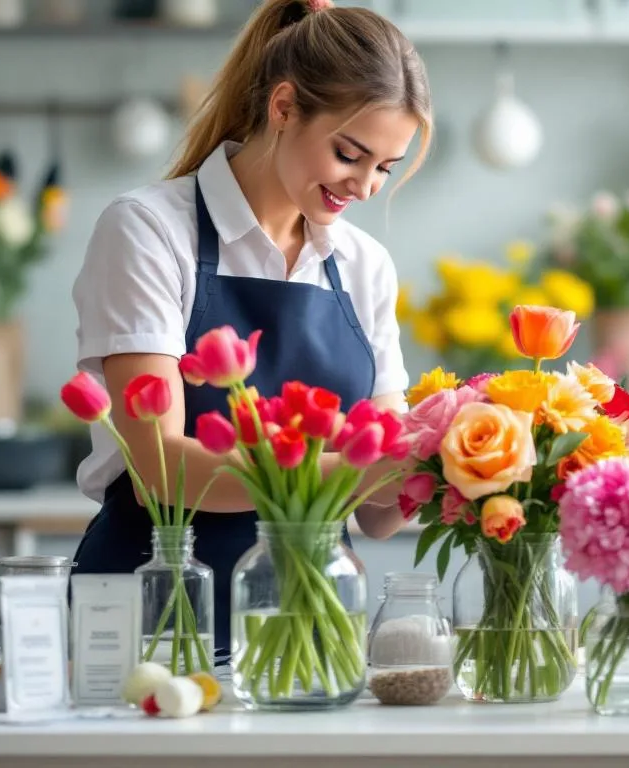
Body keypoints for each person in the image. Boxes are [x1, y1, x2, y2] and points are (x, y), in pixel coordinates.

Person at [68, 0, 432, 663]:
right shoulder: (149, 231)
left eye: (385, 166)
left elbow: (380, 514)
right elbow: (160, 469)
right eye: (351, 154)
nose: (366, 186)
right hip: (153, 625)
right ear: (285, 107)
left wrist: (452, 458)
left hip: (313, 634)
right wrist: (364, 466)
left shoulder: (363, 266)